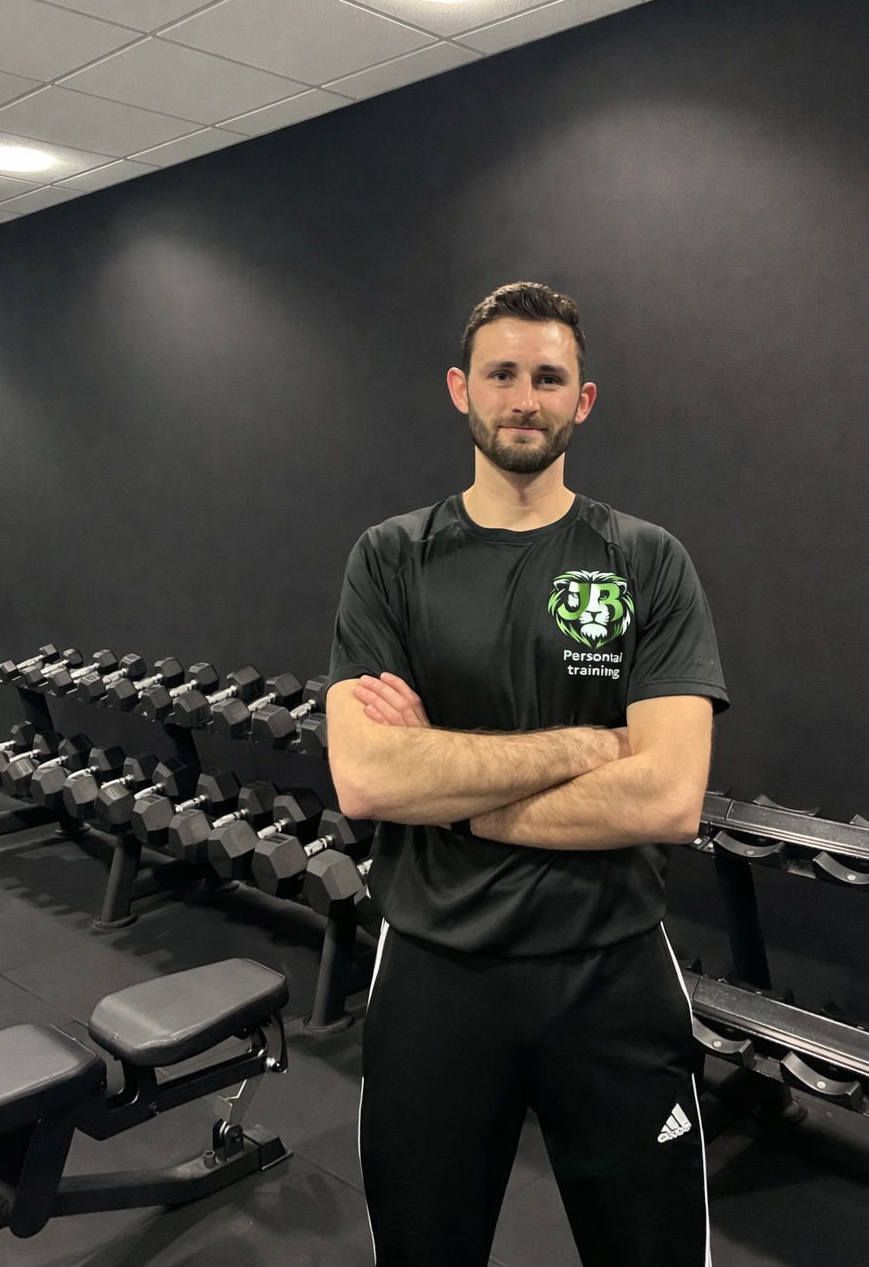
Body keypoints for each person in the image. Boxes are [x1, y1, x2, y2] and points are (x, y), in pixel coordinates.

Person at [326, 281, 728, 1267]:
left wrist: (454, 794)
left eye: (549, 378)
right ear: (461, 389)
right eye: (501, 374)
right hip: (434, 970)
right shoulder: (390, 560)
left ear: (581, 400)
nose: (524, 397)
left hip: (613, 968)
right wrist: (587, 748)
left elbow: (669, 797)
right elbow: (370, 780)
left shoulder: (646, 560)